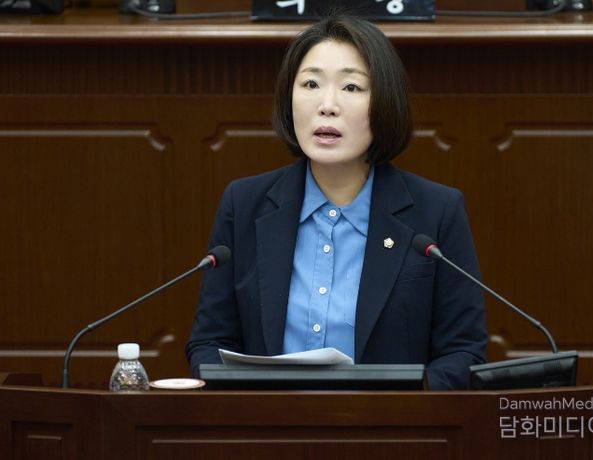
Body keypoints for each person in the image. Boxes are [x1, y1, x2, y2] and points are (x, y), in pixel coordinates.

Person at [185, 15, 487, 390]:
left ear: (385, 103)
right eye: (311, 84)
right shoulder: (244, 204)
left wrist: (401, 404)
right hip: (267, 422)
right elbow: (209, 342)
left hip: (391, 424)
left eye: (351, 87)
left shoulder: (436, 212)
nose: (327, 105)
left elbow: (463, 353)